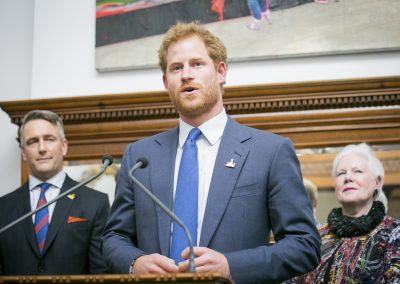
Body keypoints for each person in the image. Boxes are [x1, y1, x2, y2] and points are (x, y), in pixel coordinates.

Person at [102, 21, 321, 283]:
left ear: (220, 71)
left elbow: (304, 245)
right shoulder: (140, 157)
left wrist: (231, 265)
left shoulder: (270, 152)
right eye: (176, 68)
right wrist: (134, 262)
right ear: (165, 82)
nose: (186, 75)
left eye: (197, 64)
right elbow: (114, 237)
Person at [0, 110, 110, 275]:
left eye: (49, 139)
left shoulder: (95, 203)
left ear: (64, 146)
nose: (42, 148)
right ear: (23, 152)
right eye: (33, 142)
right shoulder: (3, 208)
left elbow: (101, 274)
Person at [288, 143, 400, 283]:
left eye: (357, 171)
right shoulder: (316, 236)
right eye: (341, 173)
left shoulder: (393, 233)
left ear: (377, 182)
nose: (348, 178)